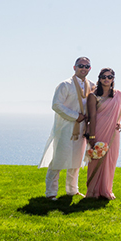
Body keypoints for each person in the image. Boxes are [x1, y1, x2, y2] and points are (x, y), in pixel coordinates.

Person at [39, 57, 93, 199]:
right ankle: (50, 193)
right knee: (57, 161)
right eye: (81, 65)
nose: (83, 68)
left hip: (82, 129)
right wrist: (76, 116)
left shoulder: (92, 85)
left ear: (90, 69)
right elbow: (56, 105)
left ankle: (72, 190)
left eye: (86, 66)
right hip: (65, 128)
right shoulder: (65, 85)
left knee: (76, 162)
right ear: (74, 67)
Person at [84, 68, 121, 200]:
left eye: (110, 77)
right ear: (99, 78)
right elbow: (92, 117)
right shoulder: (93, 96)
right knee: (96, 159)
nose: (107, 79)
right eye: (104, 76)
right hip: (98, 131)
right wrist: (92, 137)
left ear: (113, 79)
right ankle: (92, 191)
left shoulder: (118, 95)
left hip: (113, 134)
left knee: (110, 161)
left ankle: (106, 190)